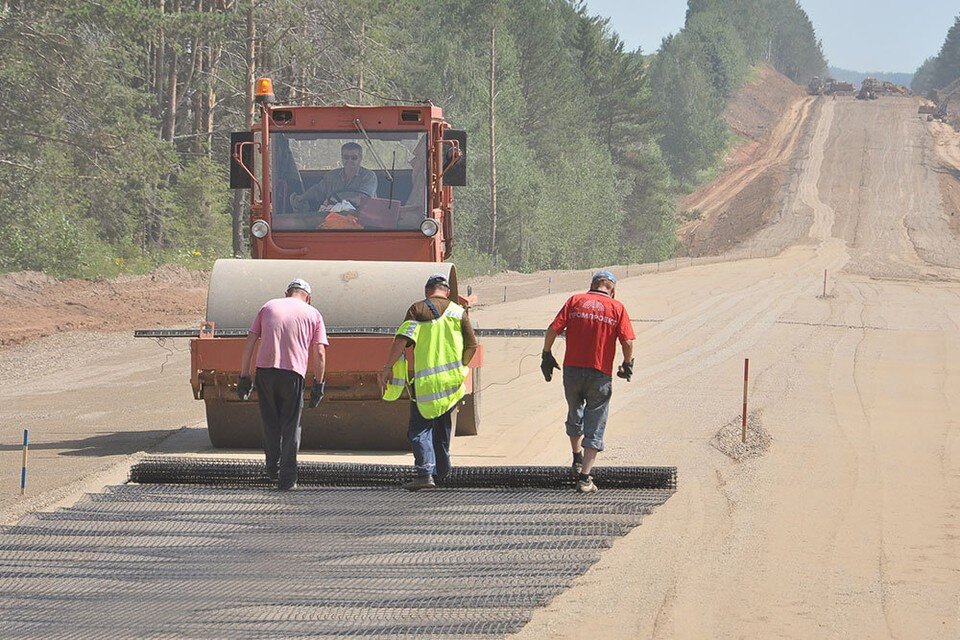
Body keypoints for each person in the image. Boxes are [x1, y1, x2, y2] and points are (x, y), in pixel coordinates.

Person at [379, 274, 478, 491]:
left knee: (419, 429)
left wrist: (387, 367)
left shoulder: (418, 310)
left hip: (426, 384)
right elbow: (472, 346)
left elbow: (401, 341)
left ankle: (424, 474)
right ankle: (442, 472)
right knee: (442, 427)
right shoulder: (458, 312)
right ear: (447, 292)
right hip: (451, 382)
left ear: (427, 291)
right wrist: (461, 368)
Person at [541, 270, 635, 494]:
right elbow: (628, 341)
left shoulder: (575, 301)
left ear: (593, 284)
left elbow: (553, 329)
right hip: (599, 373)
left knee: (575, 412)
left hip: (572, 371)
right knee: (595, 423)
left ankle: (576, 457)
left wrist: (546, 354)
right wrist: (627, 364)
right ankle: (584, 478)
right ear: (611, 289)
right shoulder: (617, 308)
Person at [237, 278, 328, 490]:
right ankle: (287, 479)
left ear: (287, 293)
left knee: (270, 422)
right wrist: (318, 384)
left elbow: (250, 341)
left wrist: (244, 375)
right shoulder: (312, 313)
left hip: (265, 373)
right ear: (309, 298)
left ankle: (272, 469)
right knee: (291, 425)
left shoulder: (268, 306)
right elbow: (320, 353)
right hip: (292, 374)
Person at [290, 142, 378, 212]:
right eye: (346, 157)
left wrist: (339, 201)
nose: (349, 161)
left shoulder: (369, 176)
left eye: (354, 158)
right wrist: (301, 198)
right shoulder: (331, 176)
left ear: (360, 158)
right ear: (342, 158)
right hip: (333, 219)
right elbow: (318, 190)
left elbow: (364, 199)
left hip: (361, 220)